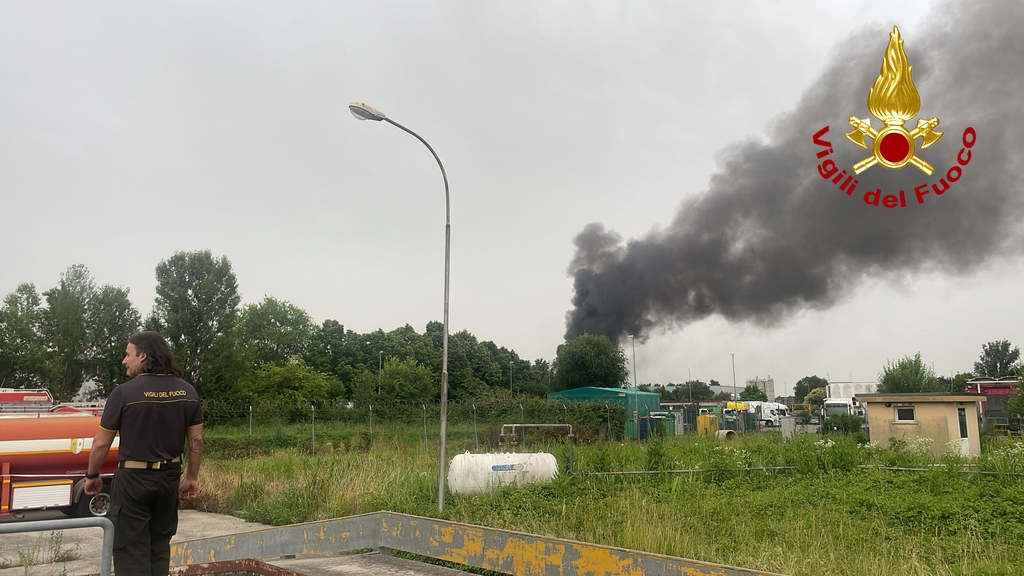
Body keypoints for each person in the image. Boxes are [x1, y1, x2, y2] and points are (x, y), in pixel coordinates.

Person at [85, 331, 204, 576]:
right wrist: (192, 477)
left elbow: (100, 443)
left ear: (143, 355)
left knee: (130, 548)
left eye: (128, 355)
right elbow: (196, 441)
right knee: (159, 546)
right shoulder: (188, 392)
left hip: (133, 480)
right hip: (169, 478)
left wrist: (92, 474)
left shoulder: (124, 393)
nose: (124, 361)